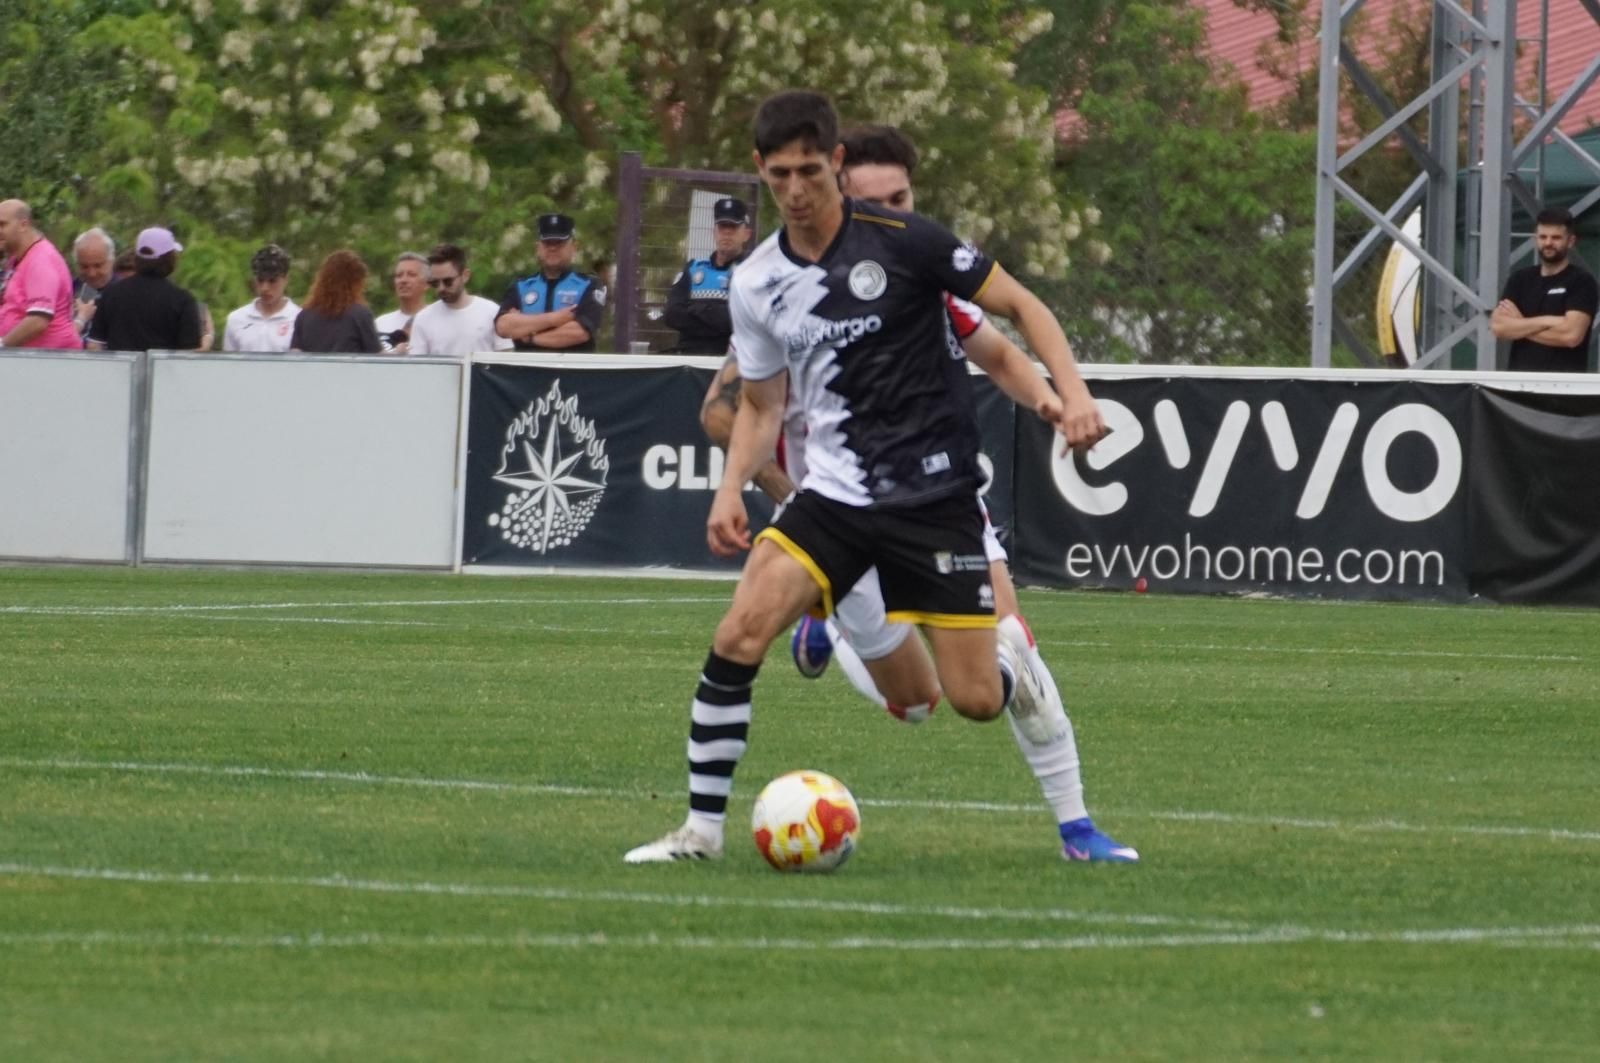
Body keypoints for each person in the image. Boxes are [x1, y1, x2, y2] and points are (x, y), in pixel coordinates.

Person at [624, 90, 1111, 865]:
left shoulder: (906, 243)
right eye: (778, 174)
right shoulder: (755, 283)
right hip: (836, 500)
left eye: (809, 170)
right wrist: (728, 489)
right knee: (739, 631)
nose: (795, 189)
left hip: (934, 498)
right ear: (760, 170)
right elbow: (759, 404)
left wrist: (1073, 397)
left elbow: (1019, 306)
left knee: (972, 700)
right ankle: (700, 833)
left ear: (836, 164)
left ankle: (1014, 679)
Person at [1491, 206, 1599, 372]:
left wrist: (1520, 325)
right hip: (1519, 385)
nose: (1548, 243)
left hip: (1565, 386)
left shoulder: (1582, 281)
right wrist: (1549, 321)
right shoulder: (1519, 279)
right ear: (1536, 239)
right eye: (1543, 237)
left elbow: (1571, 336)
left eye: (1556, 237)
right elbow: (1499, 327)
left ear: (1570, 241)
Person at [494, 213, 607, 352]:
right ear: (537, 248)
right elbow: (503, 326)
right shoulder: (521, 286)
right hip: (527, 371)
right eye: (547, 243)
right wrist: (554, 319)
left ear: (574, 247)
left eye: (559, 243)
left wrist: (529, 336)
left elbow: (579, 333)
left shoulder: (589, 285)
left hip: (572, 370)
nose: (552, 248)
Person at [86, 226, 201, 352]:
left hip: (120, 370)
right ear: (169, 259)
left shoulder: (111, 294)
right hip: (164, 371)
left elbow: (94, 345)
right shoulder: (182, 300)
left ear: (138, 258)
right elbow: (189, 355)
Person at [662, 196, 753, 353]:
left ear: (746, 234)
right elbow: (672, 315)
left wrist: (696, 309)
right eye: (722, 226)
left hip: (731, 362)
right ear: (714, 232)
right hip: (689, 360)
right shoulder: (693, 269)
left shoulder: (753, 272)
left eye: (733, 227)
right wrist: (717, 315)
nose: (727, 232)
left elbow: (741, 321)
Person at [0, 199, 84, 350]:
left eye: (2, 224)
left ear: (23, 225)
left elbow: (38, 320)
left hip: (47, 362)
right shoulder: (17, 259)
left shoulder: (40, 260)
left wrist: (3, 345)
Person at [406, 243, 509, 357]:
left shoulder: (491, 311)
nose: (441, 288)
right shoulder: (423, 319)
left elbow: (506, 359)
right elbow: (418, 367)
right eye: (435, 283)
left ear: (465, 275)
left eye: (448, 281)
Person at [288, 249, 382, 353]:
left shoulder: (304, 316)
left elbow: (295, 355)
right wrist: (396, 353)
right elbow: (377, 357)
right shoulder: (360, 315)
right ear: (355, 282)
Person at [222, 244, 300, 353]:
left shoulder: (299, 319)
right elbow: (229, 365)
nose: (265, 288)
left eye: (272, 281)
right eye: (260, 280)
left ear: (286, 279)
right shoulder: (236, 319)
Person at [374, 251, 430, 353]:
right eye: (399, 275)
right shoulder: (380, 323)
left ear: (427, 283)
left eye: (411, 275)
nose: (403, 280)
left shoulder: (436, 320)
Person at [70, 227, 116, 342]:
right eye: (84, 266)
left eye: (98, 265)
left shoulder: (123, 292)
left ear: (111, 261)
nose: (92, 273)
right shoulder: (70, 289)